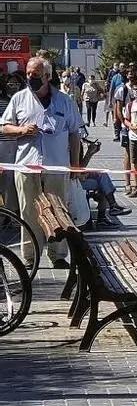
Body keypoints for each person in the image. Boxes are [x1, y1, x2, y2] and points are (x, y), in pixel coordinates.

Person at [1, 56, 82, 268]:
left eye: (35, 74)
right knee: (28, 212)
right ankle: (30, 256)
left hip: (56, 166)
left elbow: (74, 134)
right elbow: (4, 127)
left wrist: (75, 165)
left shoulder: (64, 100)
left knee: (59, 210)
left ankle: (58, 255)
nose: (30, 78)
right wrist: (21, 130)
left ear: (47, 76)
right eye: (28, 74)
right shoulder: (19, 99)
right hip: (26, 165)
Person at [114, 65, 137, 195]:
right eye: (129, 73)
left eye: (133, 72)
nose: (131, 75)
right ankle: (128, 183)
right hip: (127, 126)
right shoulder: (121, 90)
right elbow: (118, 109)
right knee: (128, 154)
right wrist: (123, 123)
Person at [0, 73, 23, 212]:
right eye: (10, 84)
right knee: (4, 181)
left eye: (16, 84)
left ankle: (11, 211)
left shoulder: (21, 101)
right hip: (2, 143)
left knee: (13, 180)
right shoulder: (2, 101)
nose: (13, 87)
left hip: (16, 144)